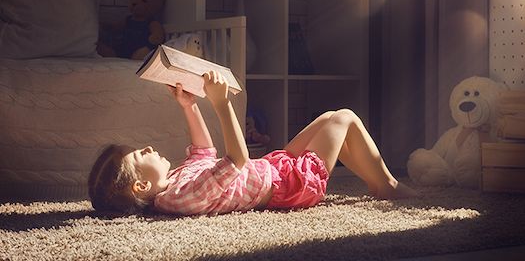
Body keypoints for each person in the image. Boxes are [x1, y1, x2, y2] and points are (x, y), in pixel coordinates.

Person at [88, 70, 417, 215]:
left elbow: (205, 153)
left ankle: (376, 182)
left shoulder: (174, 182)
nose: (146, 148)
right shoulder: (180, 199)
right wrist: (221, 104)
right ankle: (385, 183)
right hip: (291, 184)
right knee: (344, 117)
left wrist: (188, 106)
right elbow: (237, 159)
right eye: (139, 154)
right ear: (142, 185)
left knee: (331, 117)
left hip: (273, 167)